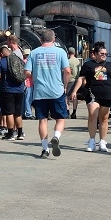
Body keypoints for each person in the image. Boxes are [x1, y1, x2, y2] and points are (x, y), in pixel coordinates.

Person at [24, 29, 71, 158]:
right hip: (57, 91)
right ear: (54, 39)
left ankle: (45, 149)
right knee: (60, 118)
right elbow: (67, 71)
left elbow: (27, 72)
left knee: (42, 120)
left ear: (41, 40)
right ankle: (56, 137)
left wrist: (37, 75)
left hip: (40, 91)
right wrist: (65, 86)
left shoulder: (33, 53)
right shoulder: (60, 52)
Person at [72, 42, 111, 152]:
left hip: (106, 94)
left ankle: (102, 141)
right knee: (92, 115)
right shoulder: (88, 65)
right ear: (95, 54)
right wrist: (74, 91)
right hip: (92, 94)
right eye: (102, 53)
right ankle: (92, 141)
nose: (104, 55)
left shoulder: (110, 65)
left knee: (104, 118)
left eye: (105, 54)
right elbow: (81, 78)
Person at [0, 45, 25, 140]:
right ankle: (20, 133)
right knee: (18, 113)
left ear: (1, 54)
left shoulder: (1, 62)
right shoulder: (18, 60)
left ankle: (10, 134)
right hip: (20, 90)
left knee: (9, 113)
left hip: (7, 90)